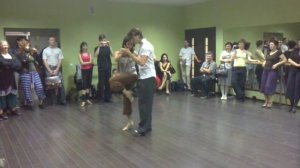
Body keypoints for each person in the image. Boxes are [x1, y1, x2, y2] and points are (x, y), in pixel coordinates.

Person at [121, 28, 156, 137]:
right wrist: (135, 54)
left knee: (143, 105)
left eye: (132, 38)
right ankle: (147, 126)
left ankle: (142, 129)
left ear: (137, 36)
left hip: (147, 78)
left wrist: (129, 53)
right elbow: (151, 59)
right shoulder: (145, 45)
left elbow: (141, 62)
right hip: (148, 77)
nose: (132, 41)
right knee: (147, 104)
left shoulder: (145, 46)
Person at [110, 36, 138, 131]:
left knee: (112, 80)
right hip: (122, 77)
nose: (129, 46)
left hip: (132, 75)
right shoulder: (118, 52)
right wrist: (124, 52)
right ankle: (129, 122)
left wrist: (130, 53)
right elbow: (116, 59)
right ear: (124, 44)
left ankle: (127, 93)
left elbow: (138, 59)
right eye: (128, 44)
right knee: (126, 100)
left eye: (131, 44)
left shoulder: (133, 53)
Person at [16, 39, 45, 109]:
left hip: (35, 72)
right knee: (27, 89)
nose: (29, 46)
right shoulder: (20, 54)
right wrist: (28, 55)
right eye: (27, 45)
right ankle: (29, 103)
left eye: (29, 45)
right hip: (25, 73)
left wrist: (36, 53)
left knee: (39, 87)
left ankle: (41, 101)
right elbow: (22, 62)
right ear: (23, 46)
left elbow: (40, 62)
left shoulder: (33, 53)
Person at [260, 40, 287, 108]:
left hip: (272, 71)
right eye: (270, 44)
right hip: (265, 70)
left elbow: (285, 60)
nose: (270, 46)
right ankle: (266, 101)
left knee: (269, 86)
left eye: (272, 44)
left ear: (276, 45)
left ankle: (270, 102)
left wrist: (277, 64)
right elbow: (266, 59)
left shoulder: (278, 52)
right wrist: (264, 62)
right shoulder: (269, 52)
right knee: (263, 86)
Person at [0, 40, 22, 120]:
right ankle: (1, 112)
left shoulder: (12, 55)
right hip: (1, 77)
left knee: (12, 93)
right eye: (3, 45)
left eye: (6, 45)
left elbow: (18, 65)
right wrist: (11, 64)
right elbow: (2, 63)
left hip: (10, 77)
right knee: (1, 95)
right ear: (0, 47)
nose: (5, 47)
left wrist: (7, 65)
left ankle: (12, 109)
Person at [42, 36, 66, 105]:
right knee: (51, 85)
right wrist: (49, 70)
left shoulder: (59, 50)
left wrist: (57, 70)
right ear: (48, 41)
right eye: (51, 40)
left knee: (60, 84)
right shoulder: (45, 50)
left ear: (55, 41)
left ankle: (63, 100)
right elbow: (44, 61)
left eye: (53, 40)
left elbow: (60, 60)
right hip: (48, 68)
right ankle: (53, 101)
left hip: (57, 68)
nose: (52, 41)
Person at [95, 34, 113, 102]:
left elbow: (112, 54)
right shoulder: (97, 48)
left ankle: (108, 98)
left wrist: (109, 45)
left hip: (108, 67)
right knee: (101, 83)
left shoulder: (108, 47)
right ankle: (100, 98)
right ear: (99, 41)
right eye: (102, 40)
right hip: (101, 68)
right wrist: (99, 46)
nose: (103, 42)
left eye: (104, 40)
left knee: (108, 83)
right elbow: (95, 55)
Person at [78, 42, 93, 107]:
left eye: (86, 46)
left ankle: (87, 99)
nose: (85, 47)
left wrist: (86, 63)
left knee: (88, 85)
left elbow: (92, 62)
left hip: (90, 69)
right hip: (84, 70)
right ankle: (83, 100)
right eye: (83, 46)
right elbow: (82, 63)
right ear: (81, 47)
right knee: (84, 85)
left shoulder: (89, 54)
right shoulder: (80, 54)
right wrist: (89, 62)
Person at [286, 46, 300, 113]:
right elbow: (289, 59)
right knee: (290, 87)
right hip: (292, 70)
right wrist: (296, 65)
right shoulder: (295, 50)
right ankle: (291, 105)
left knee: (297, 88)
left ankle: (295, 106)